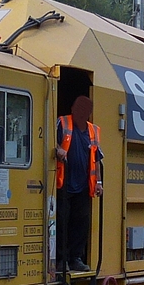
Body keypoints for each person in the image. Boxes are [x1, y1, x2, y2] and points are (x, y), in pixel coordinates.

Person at [55, 95, 103, 273]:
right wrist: (57, 148)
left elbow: (97, 158)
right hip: (63, 183)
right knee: (62, 222)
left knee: (80, 223)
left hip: (83, 186)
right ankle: (61, 260)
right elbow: (48, 141)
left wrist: (98, 182)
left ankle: (75, 258)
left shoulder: (93, 131)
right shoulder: (63, 123)